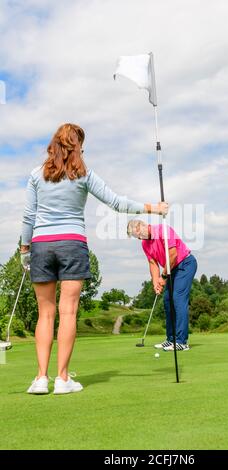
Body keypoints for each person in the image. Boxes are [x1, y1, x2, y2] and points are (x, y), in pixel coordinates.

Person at [20, 123, 168, 395]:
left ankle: (41, 378)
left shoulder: (35, 175)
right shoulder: (85, 175)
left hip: (41, 245)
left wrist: (24, 251)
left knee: (45, 313)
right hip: (72, 244)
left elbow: (29, 217)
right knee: (68, 312)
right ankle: (62, 379)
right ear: (77, 148)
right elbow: (117, 203)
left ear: (53, 145)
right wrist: (153, 209)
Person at [127, 220, 197, 351]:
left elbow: (173, 255)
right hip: (170, 269)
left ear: (141, 226)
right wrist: (155, 283)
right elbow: (153, 263)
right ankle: (171, 339)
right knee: (167, 301)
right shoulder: (145, 244)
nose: (139, 239)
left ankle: (182, 341)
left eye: (138, 236)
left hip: (184, 264)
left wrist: (163, 276)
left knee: (178, 298)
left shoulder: (163, 230)